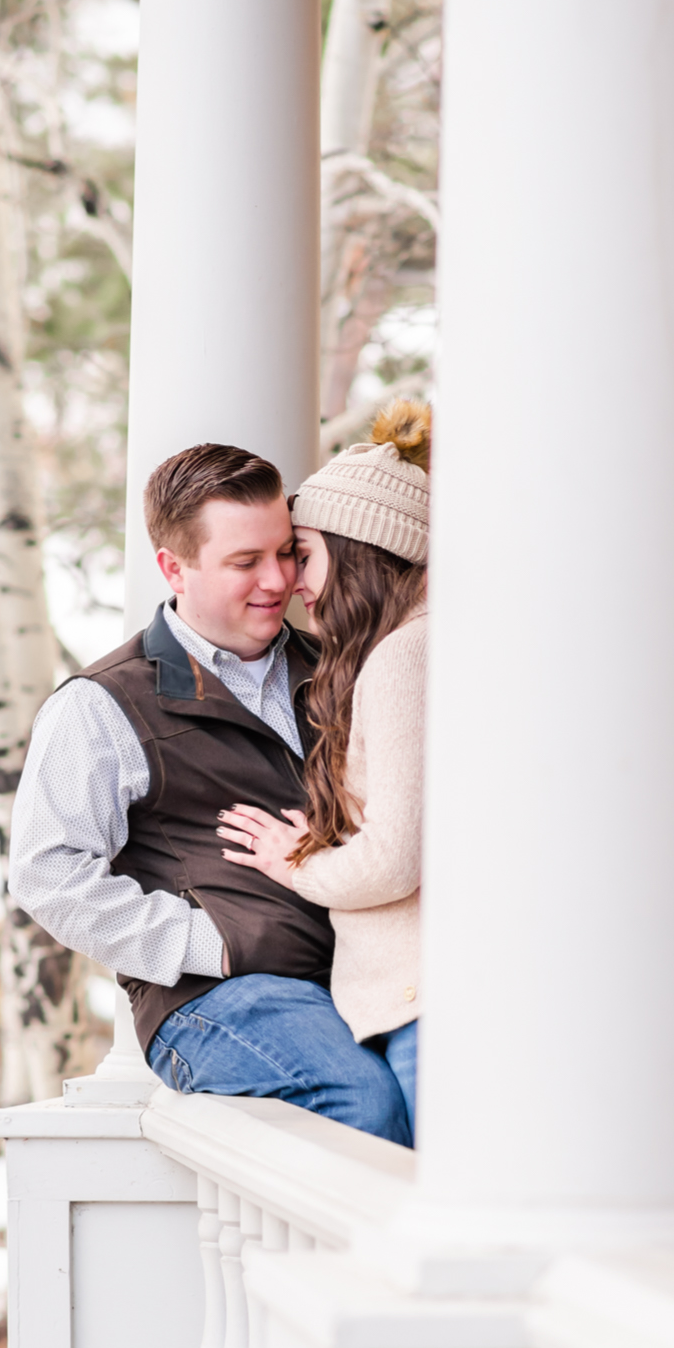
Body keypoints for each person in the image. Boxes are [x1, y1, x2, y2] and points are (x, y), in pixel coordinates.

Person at [8, 441, 412, 1146]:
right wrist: (210, 944)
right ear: (175, 566)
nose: (278, 579)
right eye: (245, 562)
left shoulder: (338, 667)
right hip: (218, 998)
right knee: (361, 1102)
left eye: (287, 553)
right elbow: (49, 874)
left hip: (350, 972)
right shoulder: (104, 705)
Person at [216, 401, 429, 1134]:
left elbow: (396, 861)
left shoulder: (404, 657)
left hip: (424, 1004)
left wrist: (296, 865)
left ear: (361, 546)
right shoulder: (426, 646)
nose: (288, 579)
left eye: (301, 553)